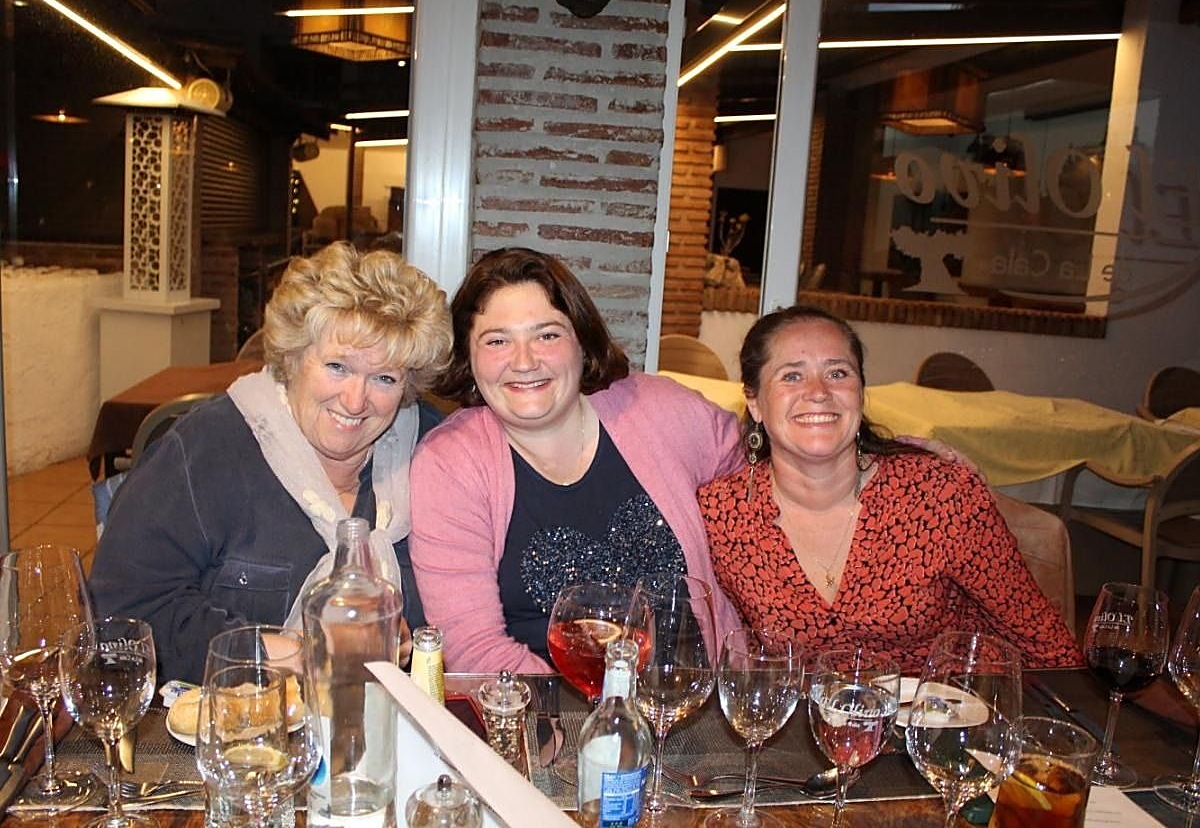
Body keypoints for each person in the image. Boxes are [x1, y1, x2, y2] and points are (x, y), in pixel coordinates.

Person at [89, 243, 452, 683]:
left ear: (409, 385)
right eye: (337, 367)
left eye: (384, 378)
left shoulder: (434, 452)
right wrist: (295, 654)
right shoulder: (206, 449)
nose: (356, 401)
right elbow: (123, 612)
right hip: (231, 718)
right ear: (293, 358)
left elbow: (472, 608)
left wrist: (414, 642)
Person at [409, 247, 746, 674]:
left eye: (547, 336)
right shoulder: (449, 463)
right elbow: (473, 648)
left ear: (582, 343)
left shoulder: (665, 412)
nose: (524, 362)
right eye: (497, 341)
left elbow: (763, 492)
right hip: (539, 706)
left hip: (692, 698)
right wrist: (587, 714)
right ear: (469, 359)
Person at [698, 305, 1083, 673]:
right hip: (809, 716)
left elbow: (1046, 643)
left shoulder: (939, 496)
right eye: (792, 376)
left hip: (949, 708)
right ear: (755, 402)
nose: (819, 391)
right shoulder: (723, 517)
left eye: (838, 373)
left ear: (860, 392)